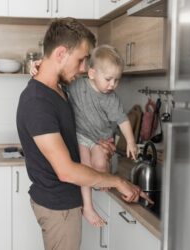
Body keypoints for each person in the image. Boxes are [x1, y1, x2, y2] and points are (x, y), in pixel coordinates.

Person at [16, 17, 150, 250]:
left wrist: (101, 146)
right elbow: (66, 172)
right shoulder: (37, 102)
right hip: (58, 209)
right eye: (80, 59)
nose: (82, 68)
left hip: (65, 204)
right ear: (60, 54)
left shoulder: (58, 89)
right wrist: (118, 181)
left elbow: (78, 134)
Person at [31, 44, 140, 227]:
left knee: (99, 165)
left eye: (117, 80)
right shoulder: (76, 84)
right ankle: (88, 207)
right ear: (91, 73)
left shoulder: (111, 98)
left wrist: (130, 141)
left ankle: (103, 181)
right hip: (81, 136)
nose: (113, 85)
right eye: (108, 79)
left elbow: (123, 120)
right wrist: (38, 65)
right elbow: (55, 75)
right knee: (85, 167)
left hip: (100, 140)